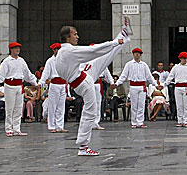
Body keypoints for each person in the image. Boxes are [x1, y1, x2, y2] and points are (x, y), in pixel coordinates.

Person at [56, 18, 132, 156]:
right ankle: (83, 146)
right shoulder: (70, 51)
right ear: (67, 37)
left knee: (104, 58)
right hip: (84, 82)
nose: (77, 37)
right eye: (75, 34)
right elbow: (93, 50)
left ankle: (124, 35)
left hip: (81, 79)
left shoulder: (61, 52)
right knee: (90, 113)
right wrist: (115, 43)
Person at [0, 42, 39, 136]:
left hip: (19, 85)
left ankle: (17, 128)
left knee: (18, 108)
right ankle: (9, 128)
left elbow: (27, 74)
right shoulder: (7, 61)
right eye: (15, 48)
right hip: (10, 85)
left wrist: (35, 83)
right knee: (10, 108)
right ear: (11, 49)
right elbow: (1, 74)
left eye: (18, 48)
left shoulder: (21, 61)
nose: (17, 50)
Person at [116, 47, 159, 129]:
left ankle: (140, 121)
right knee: (134, 105)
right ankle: (134, 122)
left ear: (140, 55)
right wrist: (117, 83)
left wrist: (156, 85)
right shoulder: (129, 64)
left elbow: (149, 76)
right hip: (133, 86)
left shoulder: (144, 65)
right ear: (133, 54)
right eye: (135, 53)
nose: (137, 55)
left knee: (141, 104)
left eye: (138, 53)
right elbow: (123, 76)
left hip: (142, 86)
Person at [39, 42, 69, 133]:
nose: (59, 51)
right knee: (53, 106)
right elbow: (46, 73)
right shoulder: (50, 61)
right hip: (55, 84)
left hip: (63, 84)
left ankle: (60, 126)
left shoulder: (64, 60)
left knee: (61, 106)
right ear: (54, 50)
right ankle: (51, 125)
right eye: (57, 50)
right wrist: (41, 82)